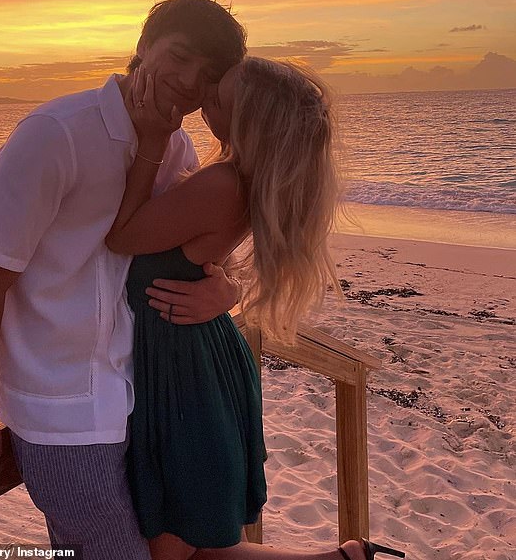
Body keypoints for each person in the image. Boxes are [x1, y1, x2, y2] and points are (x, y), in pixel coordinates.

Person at [0, 0, 248, 560]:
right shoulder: (56, 134)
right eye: (178, 56)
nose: (186, 81)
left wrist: (226, 288)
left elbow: (188, 250)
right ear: (143, 46)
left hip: (143, 393)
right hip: (62, 409)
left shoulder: (176, 147)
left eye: (206, 76)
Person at [105, 57, 405, 560]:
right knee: (206, 547)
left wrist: (153, 142)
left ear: (251, 121)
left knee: (177, 550)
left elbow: (121, 236)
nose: (208, 94)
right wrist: (228, 287)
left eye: (221, 95)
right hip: (195, 354)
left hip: (184, 370)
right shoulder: (241, 180)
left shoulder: (222, 184)